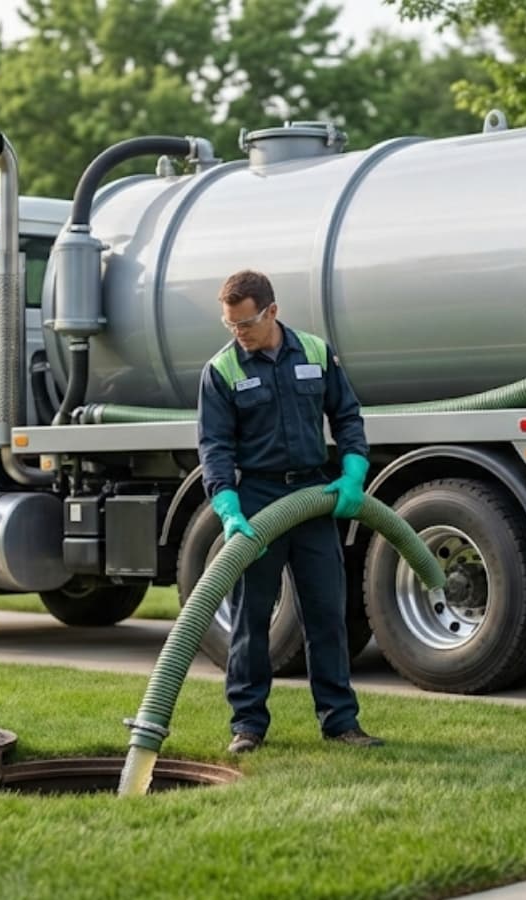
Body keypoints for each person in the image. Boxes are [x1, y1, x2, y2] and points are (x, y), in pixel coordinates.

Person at [196, 269, 381, 754]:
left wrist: (353, 471)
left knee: (327, 614)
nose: (239, 333)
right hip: (258, 501)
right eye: (230, 324)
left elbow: (347, 416)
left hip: (313, 496)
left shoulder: (315, 353)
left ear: (272, 311)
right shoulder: (222, 370)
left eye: (246, 323)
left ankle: (341, 723)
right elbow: (215, 447)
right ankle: (248, 726)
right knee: (251, 619)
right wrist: (228, 507)